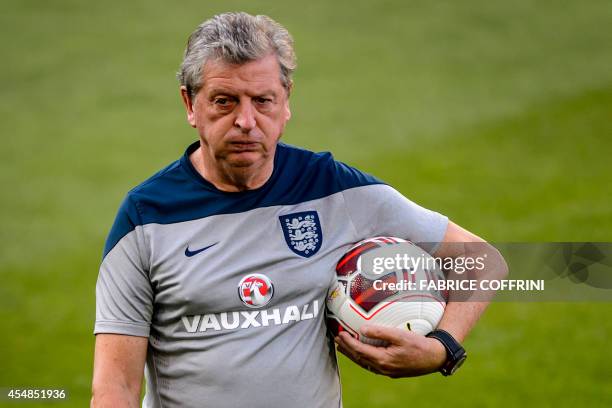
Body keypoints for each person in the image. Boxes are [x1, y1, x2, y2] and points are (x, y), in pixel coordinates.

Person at [91, 12, 507, 408]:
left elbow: (482, 261)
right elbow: (115, 388)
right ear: (190, 104)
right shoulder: (146, 217)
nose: (247, 121)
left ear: (286, 101)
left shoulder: (332, 189)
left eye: (263, 100)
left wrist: (442, 349)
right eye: (224, 101)